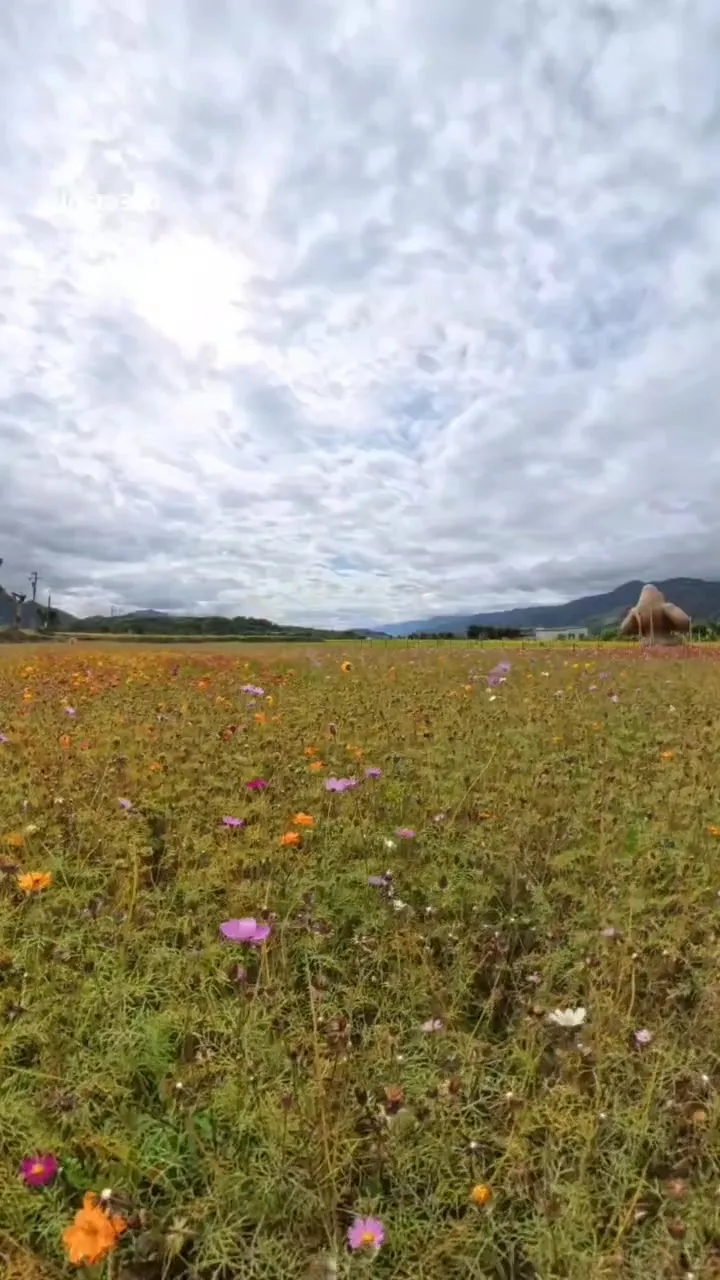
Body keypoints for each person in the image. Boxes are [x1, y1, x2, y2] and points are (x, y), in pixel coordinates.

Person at [618, 584, 690, 645]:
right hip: (663, 641)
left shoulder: (665, 607)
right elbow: (686, 622)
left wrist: (633, 613)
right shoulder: (666, 607)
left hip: (654, 641)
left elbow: (623, 629)